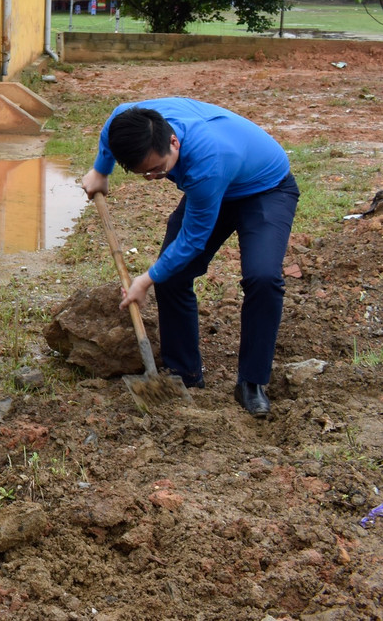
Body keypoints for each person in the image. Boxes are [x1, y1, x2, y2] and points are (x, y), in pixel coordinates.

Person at [81, 99, 297, 418]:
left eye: (158, 169)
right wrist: (101, 170)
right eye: (145, 173)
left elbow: (193, 239)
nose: (154, 176)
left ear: (174, 141)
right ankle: (185, 374)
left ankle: (252, 382)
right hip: (211, 188)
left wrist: (145, 279)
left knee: (263, 276)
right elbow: (114, 122)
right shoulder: (135, 124)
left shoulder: (206, 160)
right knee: (172, 276)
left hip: (265, 188)